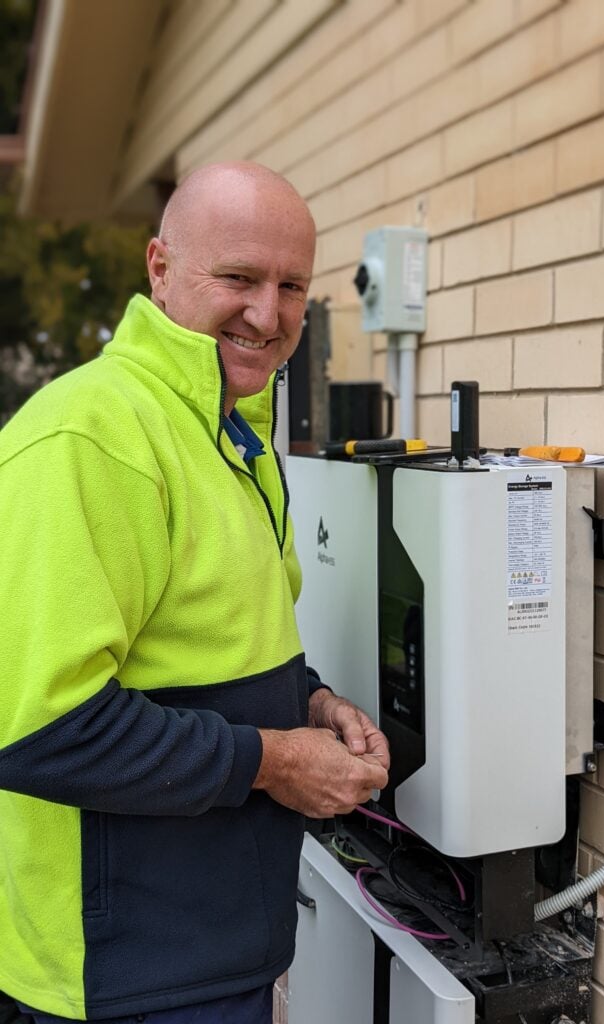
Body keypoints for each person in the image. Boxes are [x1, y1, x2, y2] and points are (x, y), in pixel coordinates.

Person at [0, 163, 389, 1023]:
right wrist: (279, 762)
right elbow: (38, 731)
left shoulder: (228, 431)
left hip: (208, 946)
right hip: (116, 978)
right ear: (159, 269)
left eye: (291, 286)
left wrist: (311, 701)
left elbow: (208, 639)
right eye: (240, 278)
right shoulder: (90, 437)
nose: (268, 313)